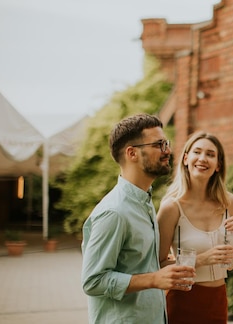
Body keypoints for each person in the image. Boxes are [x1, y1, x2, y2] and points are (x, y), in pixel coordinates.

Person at [81, 113, 195, 324]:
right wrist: (153, 279)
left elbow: (135, 263)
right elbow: (92, 281)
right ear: (132, 153)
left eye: (166, 143)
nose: (167, 151)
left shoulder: (144, 202)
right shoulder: (114, 212)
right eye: (159, 145)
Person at [157, 131, 233, 324]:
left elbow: (231, 264)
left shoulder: (229, 202)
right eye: (197, 152)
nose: (203, 159)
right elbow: (157, 265)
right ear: (186, 158)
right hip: (183, 300)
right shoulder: (171, 207)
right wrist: (202, 259)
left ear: (218, 165)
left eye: (210, 154)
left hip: (218, 300)